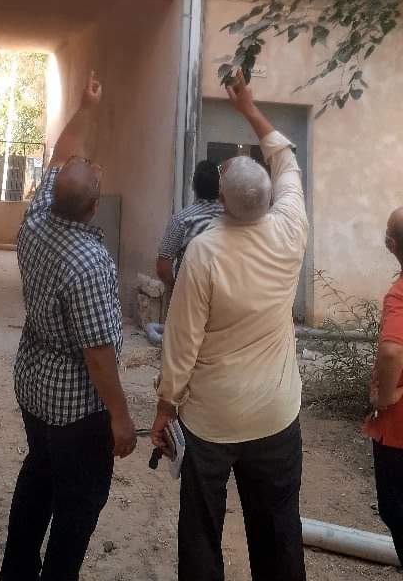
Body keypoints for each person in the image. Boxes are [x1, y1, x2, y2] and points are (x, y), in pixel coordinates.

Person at [151, 70, 308, 581]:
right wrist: (250, 108)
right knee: (279, 531)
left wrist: (165, 406)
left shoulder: (205, 252)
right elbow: (286, 160)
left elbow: (182, 342)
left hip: (212, 422)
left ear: (222, 201)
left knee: (201, 532)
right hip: (275, 414)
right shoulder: (290, 229)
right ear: (268, 197)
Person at [0, 72, 136, 581]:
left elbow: (61, 153)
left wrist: (85, 107)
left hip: (34, 386)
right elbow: (97, 354)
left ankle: (16, 571)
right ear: (94, 207)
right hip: (76, 407)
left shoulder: (35, 219)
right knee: (78, 503)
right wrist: (120, 416)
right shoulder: (89, 263)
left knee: (38, 475)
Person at [364, 207, 403, 566]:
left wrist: (387, 396)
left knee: (396, 512)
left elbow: (392, 350)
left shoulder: (399, 296)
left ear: (391, 244)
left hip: (398, 434)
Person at [156, 159, 223, 289]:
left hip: (190, 292)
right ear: (219, 187)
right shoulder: (230, 219)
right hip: (224, 293)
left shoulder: (182, 220)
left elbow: (163, 268)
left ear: (193, 185)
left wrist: (174, 289)